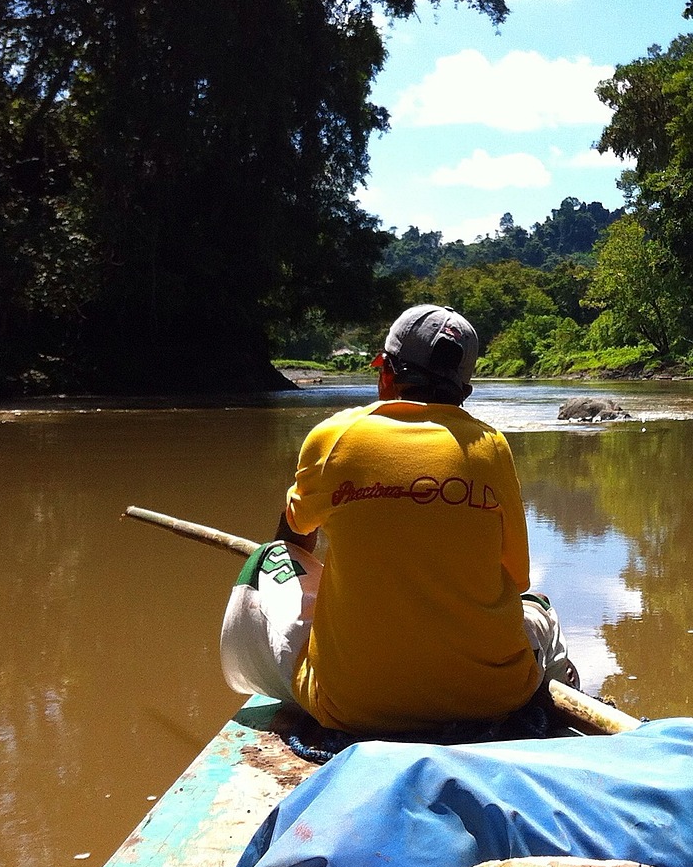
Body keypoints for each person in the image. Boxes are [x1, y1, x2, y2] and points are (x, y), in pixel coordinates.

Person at [220, 304, 575, 736]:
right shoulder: (491, 448)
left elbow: (295, 540)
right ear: (465, 389)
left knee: (268, 558)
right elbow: (514, 579)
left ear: (386, 373)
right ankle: (562, 693)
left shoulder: (334, 437)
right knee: (539, 609)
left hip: (353, 705)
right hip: (493, 696)